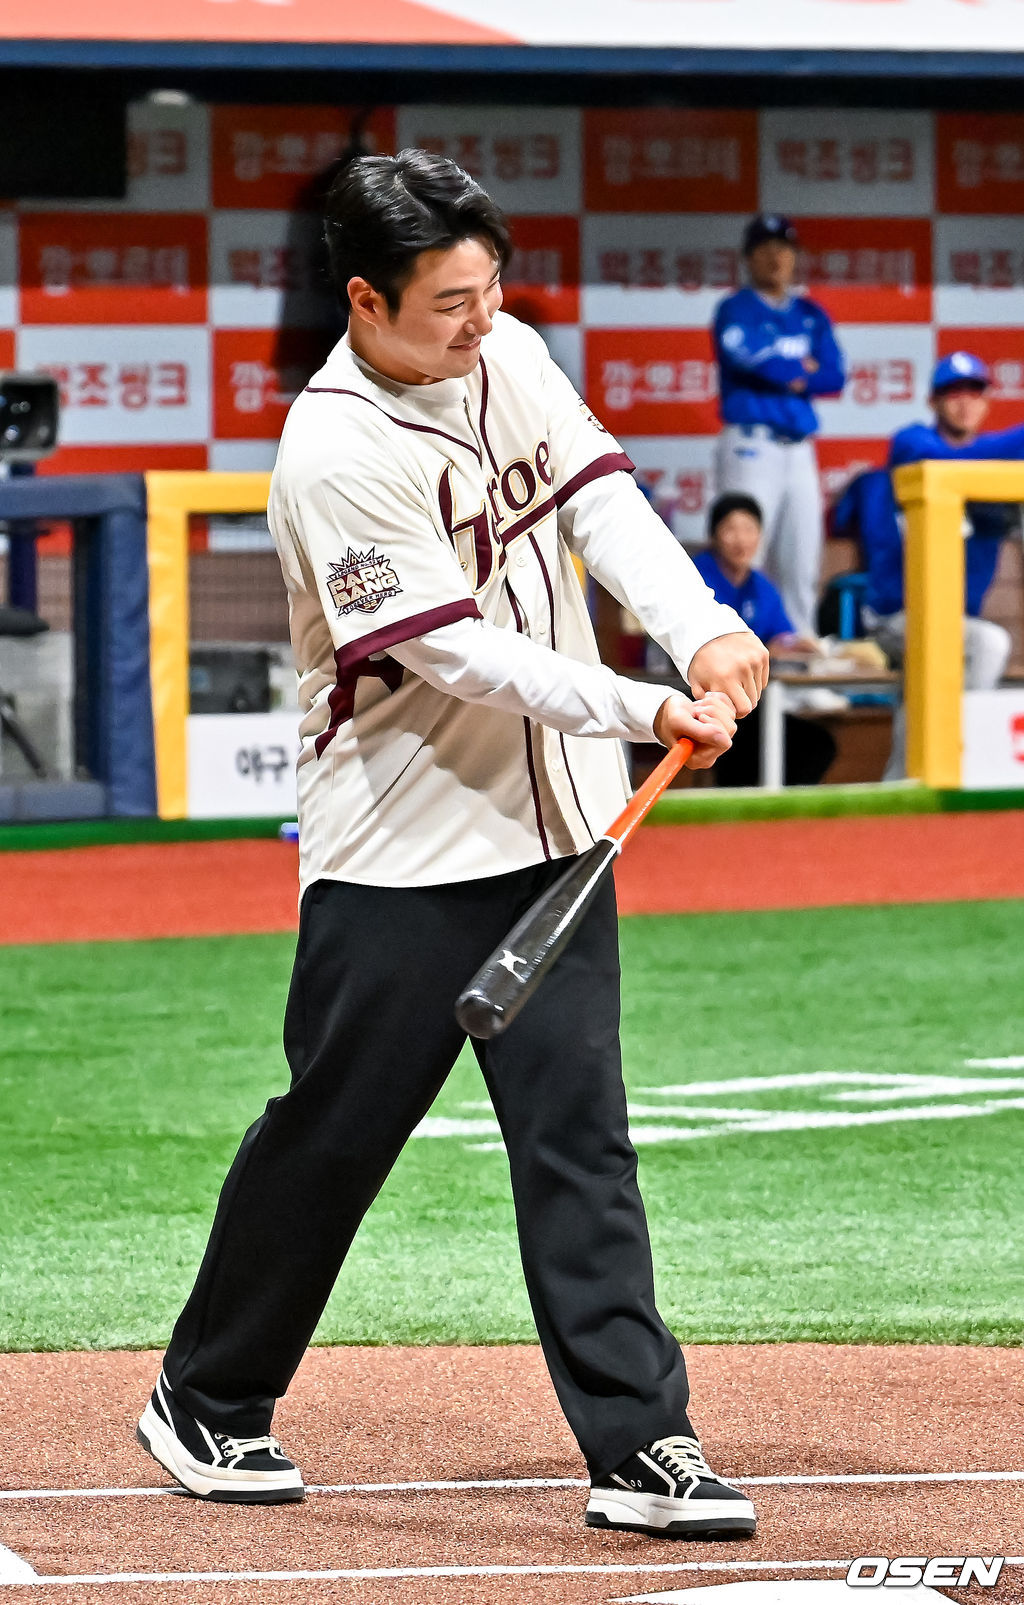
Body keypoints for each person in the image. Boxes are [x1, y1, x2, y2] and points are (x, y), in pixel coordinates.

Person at [136, 150, 768, 1541]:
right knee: (336, 1136)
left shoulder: (510, 352)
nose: (481, 322)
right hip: (401, 852)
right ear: (365, 300)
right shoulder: (333, 449)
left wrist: (702, 625)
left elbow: (600, 500)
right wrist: (642, 703)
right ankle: (208, 1393)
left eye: (490, 291)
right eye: (448, 304)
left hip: (561, 833)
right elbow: (455, 654)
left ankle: (640, 1440)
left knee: (580, 1140)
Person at [833, 351, 1019, 776]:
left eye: (974, 392)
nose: (965, 402)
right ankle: (962, 757)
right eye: (953, 393)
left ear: (986, 402)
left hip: (953, 622)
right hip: (895, 616)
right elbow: (955, 462)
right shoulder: (912, 442)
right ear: (933, 401)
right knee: (987, 644)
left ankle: (903, 784)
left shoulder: (995, 462)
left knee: (928, 685)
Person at [712, 214, 846, 637]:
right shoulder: (736, 309)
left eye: (784, 249)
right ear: (748, 258)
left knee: (802, 562)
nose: (776, 257)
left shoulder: (810, 313)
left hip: (799, 448)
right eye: (765, 248)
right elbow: (750, 360)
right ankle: (733, 652)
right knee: (742, 556)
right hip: (752, 445)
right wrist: (801, 369)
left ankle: (798, 655)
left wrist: (790, 369)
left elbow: (834, 375)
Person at [693, 492, 836, 787]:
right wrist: (767, 648)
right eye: (730, 529)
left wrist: (798, 644)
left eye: (749, 529)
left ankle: (777, 811)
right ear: (714, 536)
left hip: (751, 701)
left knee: (818, 745)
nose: (741, 540)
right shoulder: (696, 575)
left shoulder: (761, 585)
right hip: (702, 697)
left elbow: (782, 635)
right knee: (754, 745)